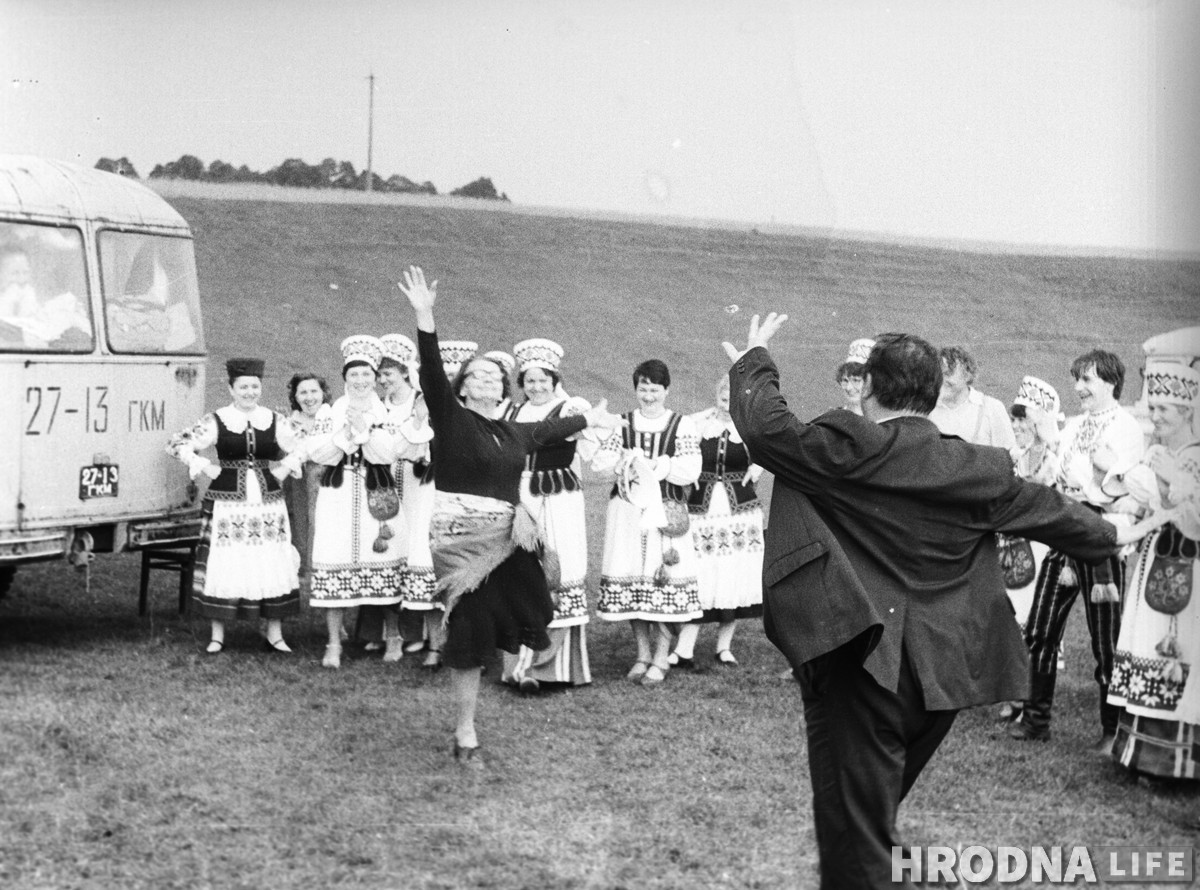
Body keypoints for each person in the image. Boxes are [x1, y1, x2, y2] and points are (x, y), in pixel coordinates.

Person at [725, 313, 1141, 889]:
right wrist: (1115, 534)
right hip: (942, 679)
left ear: (868, 387)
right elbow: (1049, 511)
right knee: (862, 822)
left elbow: (765, 427)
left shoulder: (846, 448)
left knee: (857, 840)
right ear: (929, 394)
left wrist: (756, 359)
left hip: (866, 668)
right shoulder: (970, 465)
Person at [397, 265, 623, 768]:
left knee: (534, 604)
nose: (486, 377)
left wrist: (591, 418)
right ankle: (466, 727)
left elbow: (547, 432)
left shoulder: (511, 431)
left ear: (504, 386)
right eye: (476, 374)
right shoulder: (451, 420)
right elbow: (431, 371)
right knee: (471, 630)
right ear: (462, 385)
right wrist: (425, 315)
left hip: (507, 539)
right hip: (462, 542)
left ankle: (514, 663)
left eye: (494, 374)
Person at [1009, 349, 1146, 748]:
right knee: (1040, 630)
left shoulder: (1126, 428)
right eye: (1077, 380)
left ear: (1109, 382)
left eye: (1086, 380)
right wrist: (1049, 446)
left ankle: (1111, 730)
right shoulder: (1075, 426)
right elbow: (1058, 479)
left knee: (1106, 640)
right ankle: (1035, 722)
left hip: (1101, 540)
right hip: (1065, 534)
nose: (1078, 388)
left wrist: (1067, 456)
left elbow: (1110, 490)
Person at [166, 358, 302, 653]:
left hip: (267, 504)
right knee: (226, 560)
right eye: (243, 387)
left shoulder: (275, 419)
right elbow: (177, 444)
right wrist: (205, 465)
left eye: (255, 386)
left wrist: (285, 467)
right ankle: (218, 635)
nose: (250, 392)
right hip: (229, 503)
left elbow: (305, 444)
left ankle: (275, 633)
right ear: (231, 388)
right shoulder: (217, 420)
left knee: (270, 558)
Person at [1108, 363, 1200, 779]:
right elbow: (1150, 506)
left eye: (1165, 409)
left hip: (1187, 570)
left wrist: (1174, 482)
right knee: (1145, 643)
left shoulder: (1194, 457)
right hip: (1153, 561)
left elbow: (1193, 520)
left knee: (1174, 651)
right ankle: (1140, 754)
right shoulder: (1160, 453)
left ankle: (1175, 761)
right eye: (1154, 406)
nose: (1157, 416)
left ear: (1186, 411)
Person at [499, 338, 602, 691]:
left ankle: (549, 668)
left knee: (560, 569)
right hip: (521, 496)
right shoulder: (511, 412)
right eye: (530, 380)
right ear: (521, 383)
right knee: (520, 570)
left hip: (560, 498)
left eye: (543, 380)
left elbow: (595, 452)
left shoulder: (570, 408)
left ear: (555, 379)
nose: (537, 387)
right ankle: (519, 665)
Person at [593, 358, 703, 686]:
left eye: (655, 389)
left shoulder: (681, 425)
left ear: (666, 390)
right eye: (643, 388)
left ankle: (661, 656)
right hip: (626, 514)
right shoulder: (623, 423)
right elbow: (600, 463)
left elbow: (691, 468)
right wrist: (626, 462)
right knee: (631, 577)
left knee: (661, 578)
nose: (649, 395)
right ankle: (642, 652)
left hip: (666, 513)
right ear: (636, 389)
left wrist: (661, 466)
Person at [306, 335, 406, 669]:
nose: (360, 381)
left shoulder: (387, 412)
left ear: (375, 377)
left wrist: (366, 431)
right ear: (345, 377)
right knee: (334, 556)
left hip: (377, 489)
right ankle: (333, 642)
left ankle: (394, 635)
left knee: (385, 556)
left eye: (366, 374)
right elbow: (318, 452)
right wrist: (346, 435)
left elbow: (389, 453)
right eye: (354, 375)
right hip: (338, 491)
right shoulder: (329, 411)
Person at [668, 374, 763, 668]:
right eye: (724, 390)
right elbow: (679, 453)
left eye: (733, 392)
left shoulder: (750, 428)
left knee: (733, 573)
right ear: (717, 392)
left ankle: (724, 646)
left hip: (740, 513)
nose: (727, 396)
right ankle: (684, 646)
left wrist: (757, 468)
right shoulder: (696, 423)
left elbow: (772, 450)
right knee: (701, 574)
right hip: (701, 511)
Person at [995, 375, 1063, 721]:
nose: (1017, 425)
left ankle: (1027, 695)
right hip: (1009, 548)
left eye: (1024, 419)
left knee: (1031, 621)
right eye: (1015, 418)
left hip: (1039, 549)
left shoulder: (1053, 459)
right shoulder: (1012, 455)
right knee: (1007, 618)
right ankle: (1012, 692)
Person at [354, 333, 423, 662]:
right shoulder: (377, 404)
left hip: (413, 482)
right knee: (380, 547)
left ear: (406, 374)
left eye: (388, 375)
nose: (382, 381)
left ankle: (412, 631)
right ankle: (373, 631)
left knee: (410, 552)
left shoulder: (417, 403)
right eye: (379, 375)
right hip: (380, 480)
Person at [282, 372, 332, 577]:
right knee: (302, 524)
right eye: (303, 392)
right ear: (295, 397)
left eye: (314, 391)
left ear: (323, 394)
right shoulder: (289, 423)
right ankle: (305, 572)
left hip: (329, 479)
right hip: (299, 482)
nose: (309, 397)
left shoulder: (332, 417)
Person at [929, 345, 1017, 450]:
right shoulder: (927, 408)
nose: (942, 379)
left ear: (967, 375)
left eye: (949, 373)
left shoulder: (991, 408)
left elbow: (1008, 454)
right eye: (940, 372)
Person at [835, 337, 874, 415]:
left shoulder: (884, 422)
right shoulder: (835, 418)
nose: (848, 387)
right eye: (845, 380)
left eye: (856, 380)